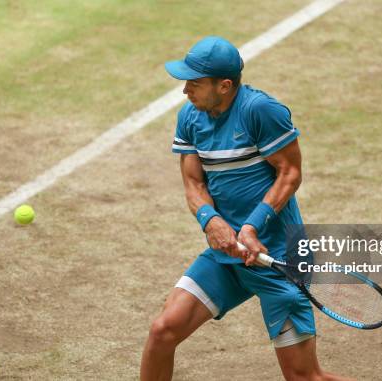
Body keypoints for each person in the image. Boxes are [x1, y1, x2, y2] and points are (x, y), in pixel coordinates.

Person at [140, 36, 353, 381]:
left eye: (194, 83)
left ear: (224, 86)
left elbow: (290, 173)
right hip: (229, 257)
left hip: (279, 261)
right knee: (163, 331)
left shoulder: (260, 111)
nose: (185, 91)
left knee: (304, 377)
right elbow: (194, 183)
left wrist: (252, 226)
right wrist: (212, 222)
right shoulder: (190, 117)